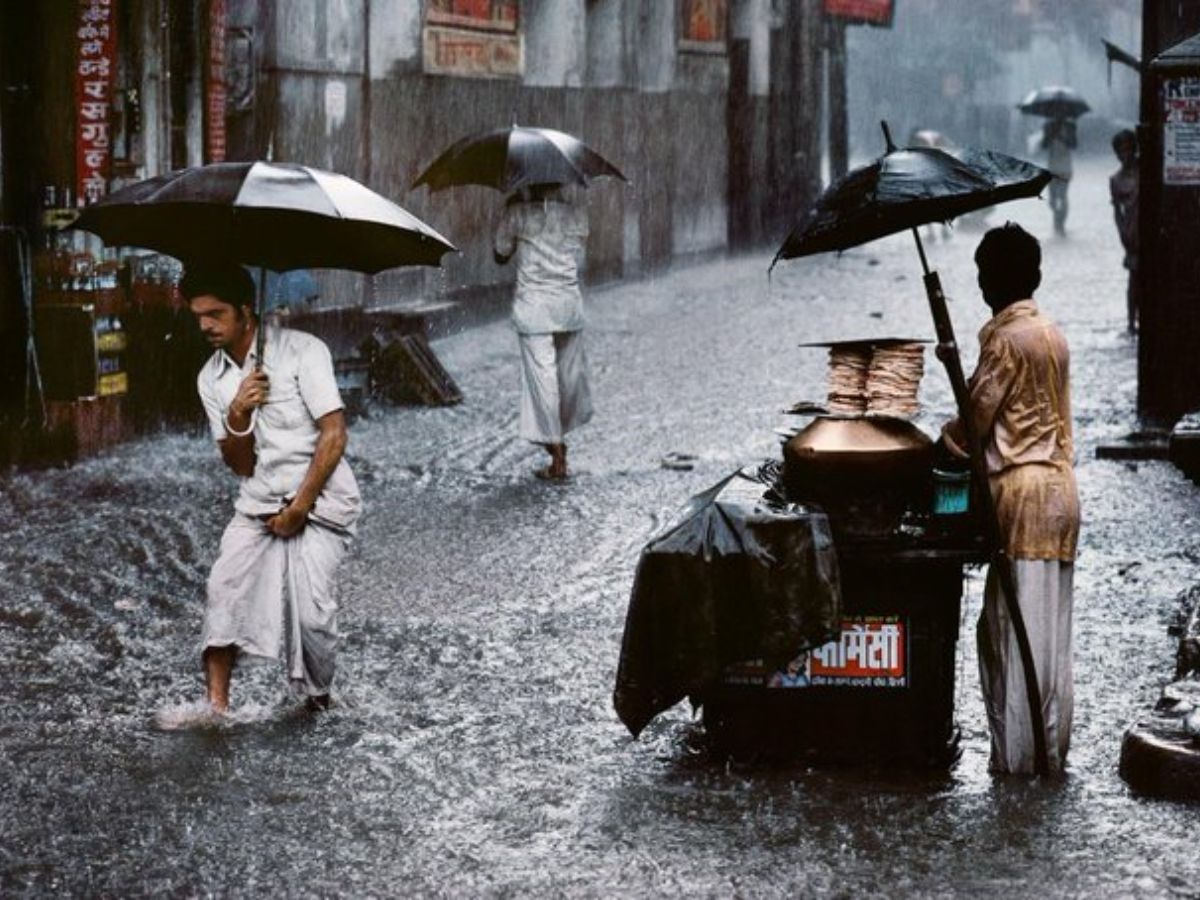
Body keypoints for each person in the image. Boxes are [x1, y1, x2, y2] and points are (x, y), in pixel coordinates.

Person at [183, 265, 361, 713]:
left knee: (312, 615)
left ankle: (318, 701)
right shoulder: (211, 378)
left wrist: (299, 509)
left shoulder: (304, 351)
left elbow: (334, 434)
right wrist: (239, 414)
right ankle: (216, 709)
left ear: (246, 311)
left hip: (320, 500)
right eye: (198, 315)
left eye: (216, 313)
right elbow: (239, 465)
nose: (206, 324)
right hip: (258, 501)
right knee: (223, 591)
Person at [941, 223, 1080, 775]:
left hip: (1021, 497)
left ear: (995, 281)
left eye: (982, 276)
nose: (978, 287)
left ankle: (1019, 762)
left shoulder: (1004, 340)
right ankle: (1048, 751)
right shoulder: (1052, 333)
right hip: (1061, 494)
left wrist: (941, 438)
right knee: (1048, 636)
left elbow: (975, 423)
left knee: (1010, 631)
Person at [493, 182, 594, 480]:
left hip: (534, 308)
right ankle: (559, 442)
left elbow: (500, 253)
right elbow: (580, 259)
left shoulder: (517, 214)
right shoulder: (577, 215)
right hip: (568, 305)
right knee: (568, 379)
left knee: (543, 381)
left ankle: (557, 451)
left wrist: (511, 212)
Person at [1109, 129, 1139, 333]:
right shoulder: (1116, 180)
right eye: (1120, 151)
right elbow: (1117, 211)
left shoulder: (1146, 170)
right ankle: (1131, 322)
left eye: (1128, 149)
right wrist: (1122, 233)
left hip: (1150, 228)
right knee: (1134, 277)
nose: (1124, 155)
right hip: (1131, 232)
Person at [1042, 118, 1076, 235]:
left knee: (1062, 196)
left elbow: (1074, 144)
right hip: (1052, 168)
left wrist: (1063, 137)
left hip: (1065, 167)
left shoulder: (1070, 125)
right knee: (1052, 199)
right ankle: (1057, 217)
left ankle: (1061, 222)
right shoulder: (1048, 125)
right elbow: (1044, 145)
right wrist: (1050, 135)